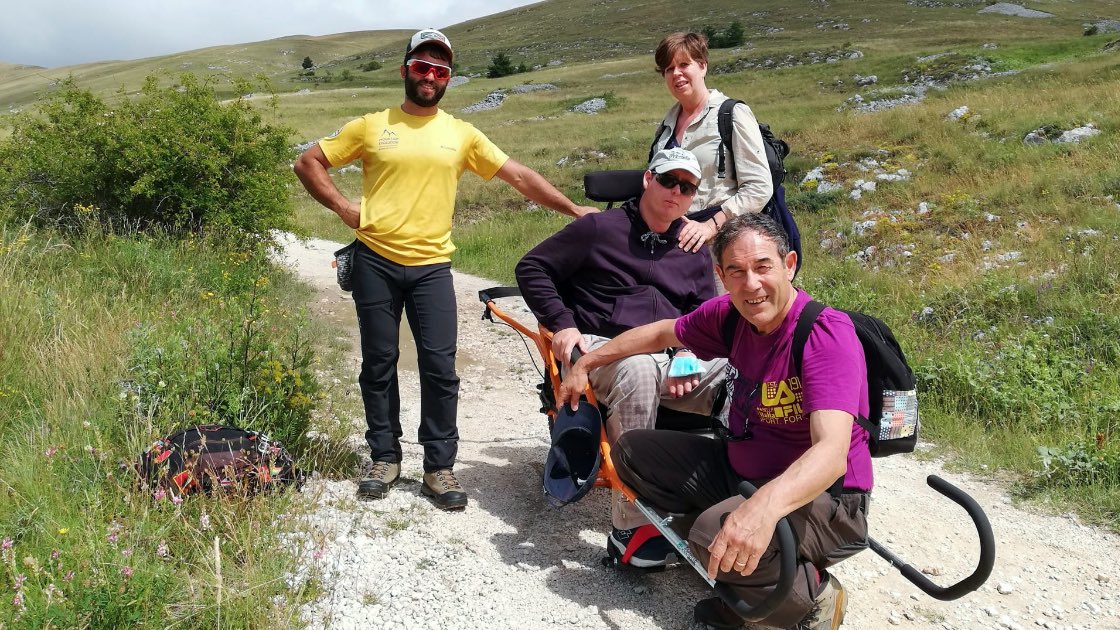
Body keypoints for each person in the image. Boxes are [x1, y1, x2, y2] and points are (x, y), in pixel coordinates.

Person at [293, 28, 597, 509]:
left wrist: (575, 211)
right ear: (405, 71)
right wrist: (346, 211)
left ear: (448, 79)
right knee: (379, 364)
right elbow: (308, 161)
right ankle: (385, 458)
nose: (430, 76)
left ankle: (438, 467)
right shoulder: (373, 125)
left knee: (439, 368)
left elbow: (519, 175)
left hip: (432, 267)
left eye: (440, 70)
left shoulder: (461, 134)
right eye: (422, 67)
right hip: (375, 261)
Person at [559, 213, 872, 630]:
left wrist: (760, 511)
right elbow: (660, 334)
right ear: (721, 275)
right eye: (737, 272)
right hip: (744, 469)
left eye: (763, 267)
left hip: (828, 497)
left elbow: (832, 454)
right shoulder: (731, 316)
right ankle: (735, 554)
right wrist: (588, 361)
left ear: (790, 264)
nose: (752, 285)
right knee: (632, 453)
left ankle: (811, 597)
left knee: (710, 536)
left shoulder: (824, 333)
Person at [515, 147, 727, 567]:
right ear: (648, 179)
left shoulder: (693, 247)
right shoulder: (598, 228)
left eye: (688, 188)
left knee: (742, 372)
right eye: (670, 181)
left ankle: (733, 497)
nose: (677, 194)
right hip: (607, 353)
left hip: (674, 355)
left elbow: (706, 315)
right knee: (637, 367)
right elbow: (533, 268)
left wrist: (690, 350)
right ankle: (631, 526)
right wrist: (562, 323)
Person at [649, 32, 774, 254]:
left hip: (722, 245)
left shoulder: (731, 114)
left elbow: (759, 187)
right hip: (672, 244)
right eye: (668, 69)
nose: (676, 73)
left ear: (702, 66)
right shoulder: (666, 125)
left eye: (684, 64)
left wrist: (711, 226)